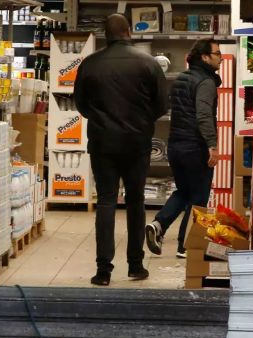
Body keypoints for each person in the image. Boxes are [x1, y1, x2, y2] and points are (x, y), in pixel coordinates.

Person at [74, 14, 168, 286]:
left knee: (106, 202)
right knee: (136, 202)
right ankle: (135, 265)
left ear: (105, 33)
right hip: (137, 143)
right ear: (129, 31)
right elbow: (161, 105)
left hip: (103, 143)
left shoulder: (90, 64)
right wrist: (140, 120)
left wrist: (103, 119)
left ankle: (103, 270)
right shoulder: (148, 63)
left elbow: (80, 105)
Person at [145, 39, 223, 258]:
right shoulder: (205, 82)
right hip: (195, 147)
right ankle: (186, 246)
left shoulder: (181, 78)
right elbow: (204, 114)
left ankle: (158, 225)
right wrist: (212, 145)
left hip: (176, 145)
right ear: (205, 57)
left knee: (184, 191)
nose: (221, 58)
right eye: (217, 54)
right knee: (198, 197)